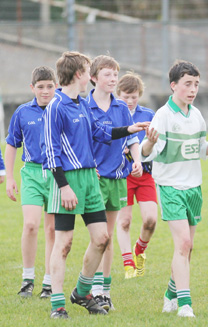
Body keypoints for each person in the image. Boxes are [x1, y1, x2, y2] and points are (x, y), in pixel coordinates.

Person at [42, 51, 148, 319]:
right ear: (79, 74)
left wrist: (129, 130)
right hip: (68, 180)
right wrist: (64, 187)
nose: (90, 76)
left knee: (102, 238)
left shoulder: (81, 104)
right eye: (88, 70)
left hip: (91, 180)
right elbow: (51, 152)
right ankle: (57, 304)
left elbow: (99, 133)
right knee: (63, 243)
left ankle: (81, 292)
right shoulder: (56, 106)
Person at [140, 60, 208, 318]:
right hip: (170, 187)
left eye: (196, 84)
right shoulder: (163, 116)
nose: (192, 89)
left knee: (188, 247)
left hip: (193, 188)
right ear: (173, 85)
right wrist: (148, 144)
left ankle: (170, 294)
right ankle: (185, 305)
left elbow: (200, 149)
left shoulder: (196, 115)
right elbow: (145, 152)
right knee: (183, 243)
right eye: (187, 84)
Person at [86, 55, 143, 311]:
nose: (112, 79)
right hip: (94, 179)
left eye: (115, 75)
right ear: (93, 77)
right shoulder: (84, 105)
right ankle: (93, 289)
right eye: (107, 74)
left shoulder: (120, 107)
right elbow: (81, 141)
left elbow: (132, 139)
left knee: (107, 237)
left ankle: (105, 291)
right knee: (99, 237)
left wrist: (137, 160)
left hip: (118, 177)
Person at [5, 67, 56, 299]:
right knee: (31, 225)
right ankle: (28, 279)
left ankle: (49, 282)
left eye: (49, 86)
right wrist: (10, 177)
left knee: (52, 228)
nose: (45, 91)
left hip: (57, 175)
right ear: (32, 87)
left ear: (56, 86)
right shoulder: (23, 112)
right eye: (40, 86)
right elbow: (12, 144)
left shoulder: (61, 109)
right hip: (32, 175)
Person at [116, 72, 157, 279]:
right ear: (118, 94)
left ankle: (139, 250)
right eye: (126, 96)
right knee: (124, 221)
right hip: (121, 175)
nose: (130, 101)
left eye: (134, 97)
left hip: (145, 174)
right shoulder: (113, 113)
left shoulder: (149, 115)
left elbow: (157, 144)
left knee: (150, 220)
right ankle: (128, 265)